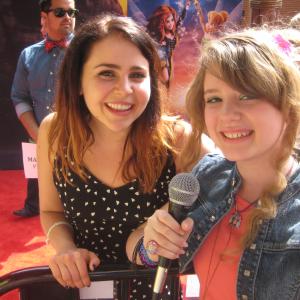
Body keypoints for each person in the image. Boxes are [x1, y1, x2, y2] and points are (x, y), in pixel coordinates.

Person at [37, 14, 214, 299]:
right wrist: (66, 249)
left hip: (154, 291)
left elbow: (233, 170)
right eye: (106, 73)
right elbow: (51, 212)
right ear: (78, 81)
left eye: (137, 75)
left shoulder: (177, 138)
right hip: (83, 287)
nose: (125, 90)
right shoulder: (54, 131)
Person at [134, 28, 300, 299]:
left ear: (287, 103)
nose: (226, 114)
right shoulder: (208, 174)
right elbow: (145, 250)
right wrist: (152, 244)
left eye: (247, 95)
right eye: (214, 99)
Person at [11, 0, 77, 217]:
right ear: (44, 17)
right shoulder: (28, 55)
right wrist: (37, 134)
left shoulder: (85, 54)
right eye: (60, 12)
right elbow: (19, 97)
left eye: (71, 12)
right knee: (37, 175)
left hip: (77, 137)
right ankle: (33, 206)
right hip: (38, 133)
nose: (67, 17)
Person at [146, 2, 190, 87]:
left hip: (170, 59)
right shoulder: (159, 35)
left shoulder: (173, 31)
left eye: (172, 20)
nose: (171, 24)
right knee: (165, 78)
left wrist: (187, 6)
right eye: (167, 21)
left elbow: (181, 18)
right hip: (162, 59)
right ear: (162, 22)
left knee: (170, 80)